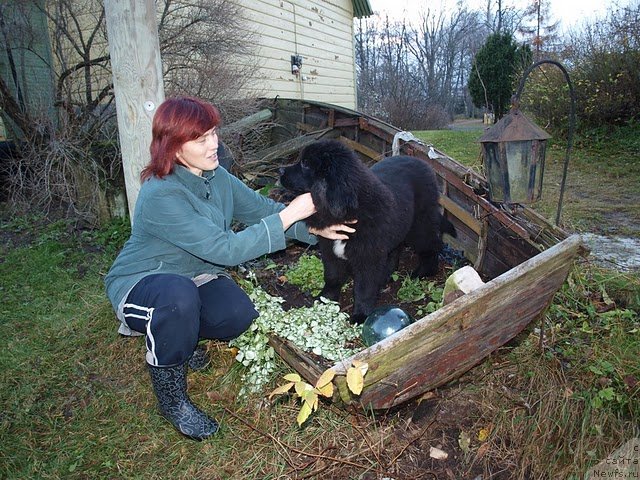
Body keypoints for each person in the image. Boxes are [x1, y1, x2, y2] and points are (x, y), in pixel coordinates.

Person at [104, 96, 355, 441]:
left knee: (236, 315)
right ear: (175, 148)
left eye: (213, 133)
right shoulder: (161, 195)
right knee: (176, 301)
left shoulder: (215, 176)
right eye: (202, 138)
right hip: (144, 281)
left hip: (194, 275)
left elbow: (260, 210)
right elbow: (225, 249)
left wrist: (314, 228)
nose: (214, 144)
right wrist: (290, 214)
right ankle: (172, 399)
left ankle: (182, 336)